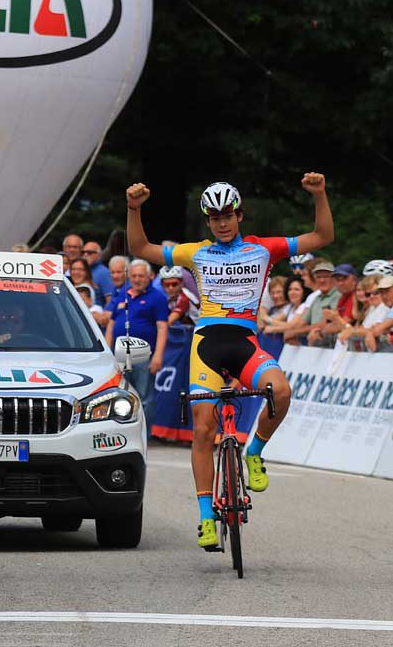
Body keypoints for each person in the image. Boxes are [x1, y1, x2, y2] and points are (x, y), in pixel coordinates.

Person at [126, 173, 333, 550]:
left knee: (281, 391)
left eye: (227, 216)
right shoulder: (195, 252)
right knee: (204, 428)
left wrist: (319, 195)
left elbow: (322, 237)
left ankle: (253, 452)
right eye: (214, 218)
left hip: (244, 342)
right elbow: (140, 247)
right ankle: (206, 516)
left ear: (239, 215)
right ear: (208, 221)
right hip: (206, 343)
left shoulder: (263, 249)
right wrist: (133, 208)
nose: (221, 223)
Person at [105, 260, 168, 418]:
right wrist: (107, 351)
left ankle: (144, 432)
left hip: (143, 356)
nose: (137, 279)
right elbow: (111, 324)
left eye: (141, 276)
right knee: (119, 397)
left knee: (144, 399)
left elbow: (162, 327)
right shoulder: (122, 293)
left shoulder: (157, 297)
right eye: (133, 276)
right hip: (119, 356)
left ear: (149, 276)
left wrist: (158, 356)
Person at [83, 240, 116, 306]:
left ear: (99, 255)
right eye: (83, 252)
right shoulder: (83, 269)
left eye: (90, 252)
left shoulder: (103, 272)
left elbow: (109, 299)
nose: (85, 255)